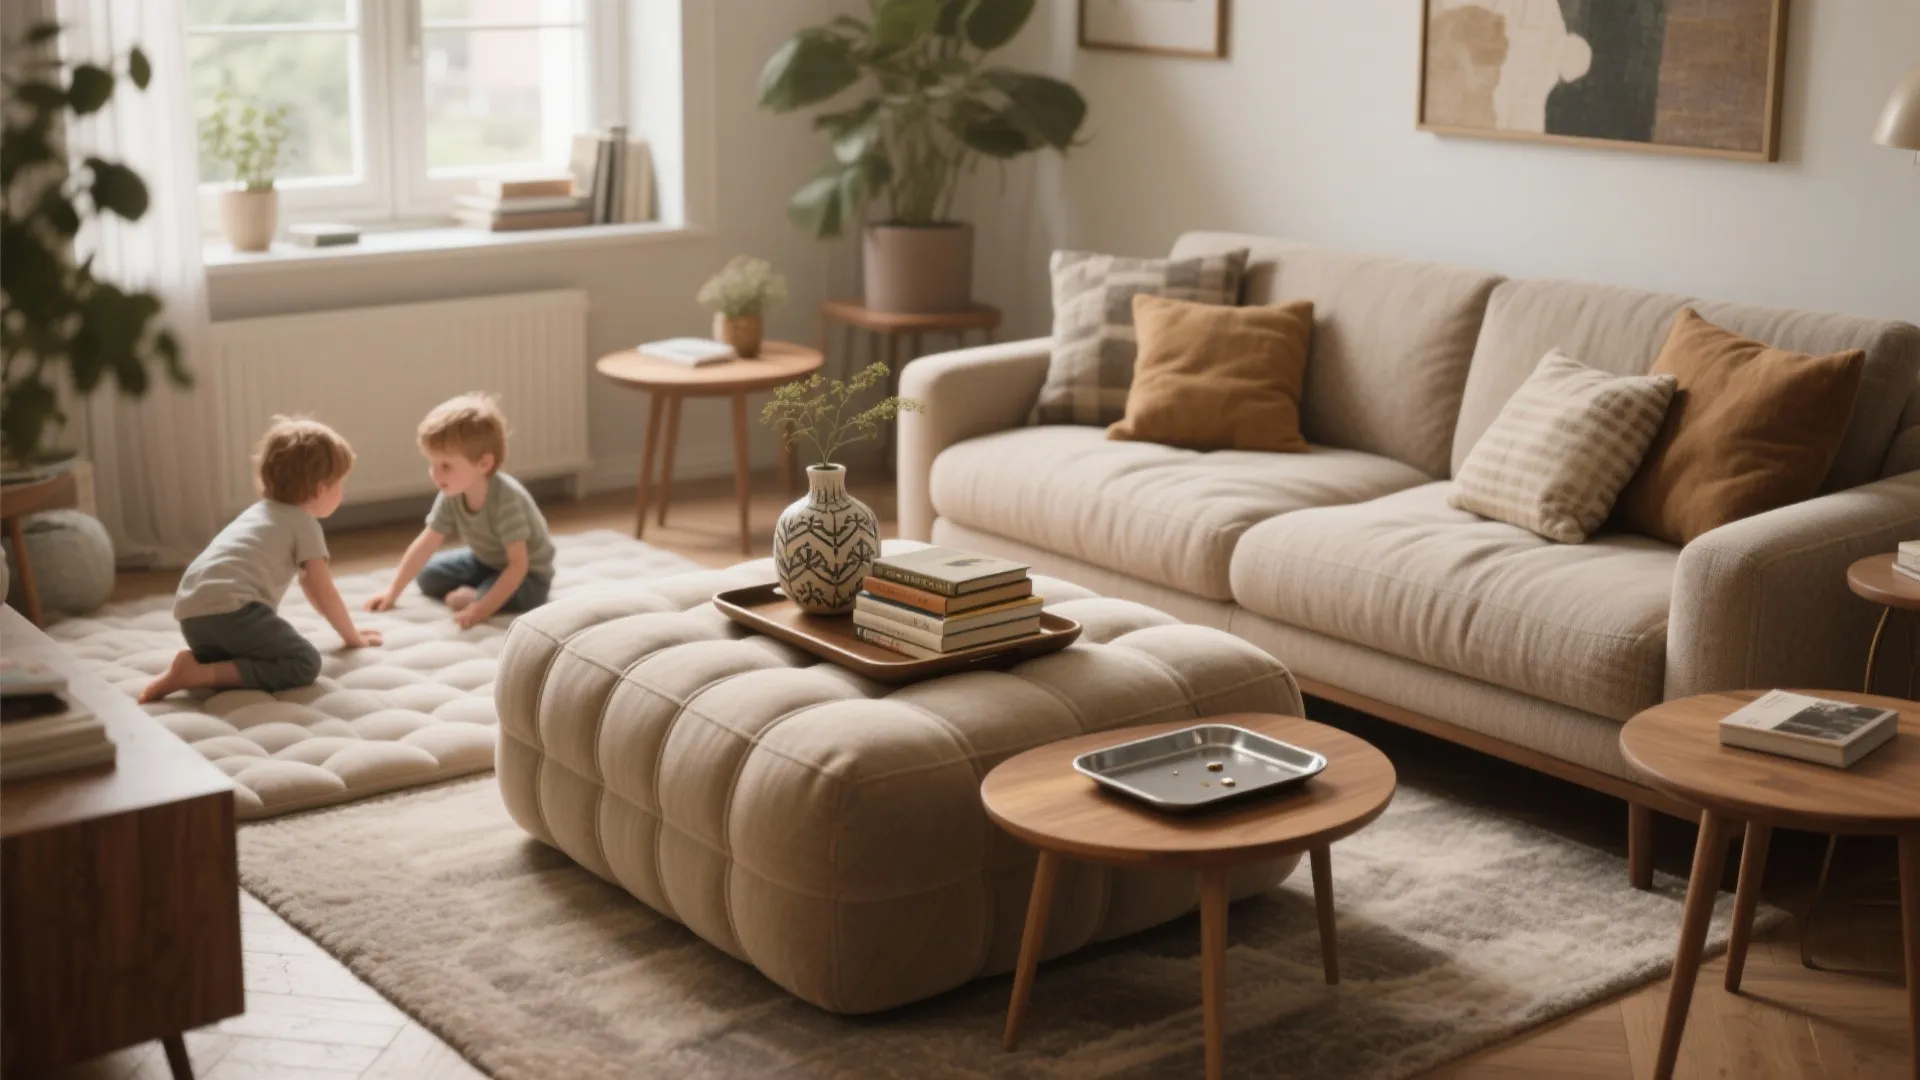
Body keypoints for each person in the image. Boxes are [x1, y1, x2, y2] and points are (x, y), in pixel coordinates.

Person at [140, 417, 382, 703]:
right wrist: (351, 637)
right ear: (320, 489)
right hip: (234, 614)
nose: (343, 492)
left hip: (192, 617)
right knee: (304, 662)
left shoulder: (258, 513)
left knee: (250, 652)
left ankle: (202, 664)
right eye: (340, 484)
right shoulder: (303, 524)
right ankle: (198, 675)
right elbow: (322, 589)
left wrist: (345, 629)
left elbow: (310, 587)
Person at [367, 392, 555, 627]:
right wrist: (392, 593)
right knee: (427, 576)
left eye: (445, 465)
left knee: (517, 594)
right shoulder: (453, 492)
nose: (435, 475)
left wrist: (480, 608)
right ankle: (479, 588)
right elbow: (427, 542)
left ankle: (476, 593)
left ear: (483, 464)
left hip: (529, 575)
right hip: (485, 560)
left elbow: (518, 565)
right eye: (432, 464)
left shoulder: (507, 500)